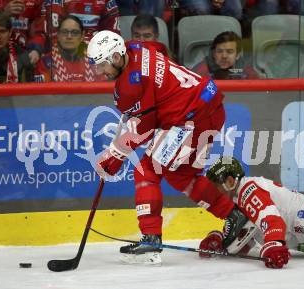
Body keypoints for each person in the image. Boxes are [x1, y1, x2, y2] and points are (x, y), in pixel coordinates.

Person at [87, 30, 247, 264]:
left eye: (102, 65)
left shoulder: (128, 88)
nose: (99, 72)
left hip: (190, 120)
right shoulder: (137, 47)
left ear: (116, 57)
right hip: (210, 105)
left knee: (146, 170)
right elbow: (160, 48)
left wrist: (114, 155)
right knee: (181, 176)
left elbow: (145, 127)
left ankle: (151, 238)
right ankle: (233, 214)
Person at [34, 15, 103, 82]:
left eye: (75, 32)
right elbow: (43, 92)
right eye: (64, 32)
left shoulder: (96, 62)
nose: (69, 36)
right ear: (58, 35)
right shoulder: (46, 63)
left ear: (82, 36)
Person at [0, 0, 46, 65]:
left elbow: (38, 31)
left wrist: (36, 50)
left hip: (24, 53)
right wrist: (3, 13)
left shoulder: (36, 2)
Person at [192, 31, 260, 80]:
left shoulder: (247, 72)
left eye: (229, 52)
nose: (224, 56)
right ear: (214, 54)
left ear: (237, 55)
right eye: (219, 51)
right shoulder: (200, 72)